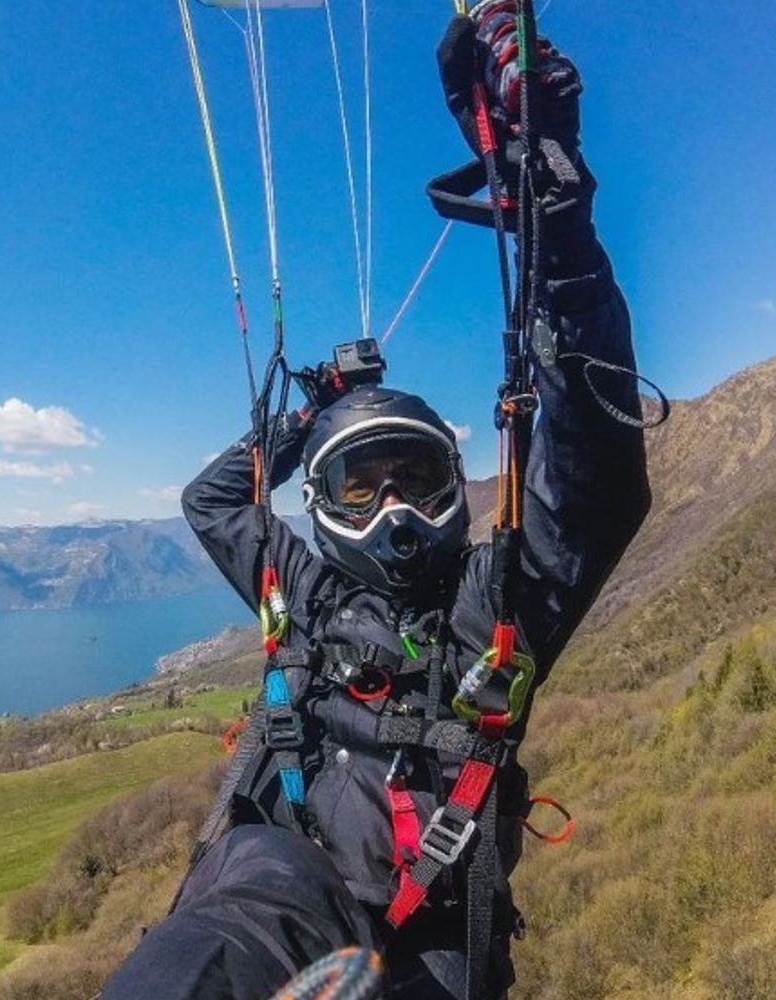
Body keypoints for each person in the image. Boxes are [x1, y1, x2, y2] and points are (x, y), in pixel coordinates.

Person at [103, 4, 649, 998]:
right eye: (365, 482)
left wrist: (558, 232)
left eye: (418, 476)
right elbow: (214, 498)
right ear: (325, 502)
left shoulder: (493, 610)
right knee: (208, 949)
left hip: (434, 926)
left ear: (457, 482)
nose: (395, 506)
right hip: (283, 867)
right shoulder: (303, 591)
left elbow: (595, 478)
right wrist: (309, 406)